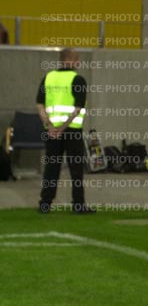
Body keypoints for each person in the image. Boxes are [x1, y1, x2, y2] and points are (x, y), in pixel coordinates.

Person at [37, 48, 94, 214]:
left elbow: (40, 104)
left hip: (52, 132)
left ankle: (45, 203)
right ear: (71, 60)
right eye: (77, 59)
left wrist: (49, 125)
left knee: (51, 167)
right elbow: (78, 108)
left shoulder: (48, 78)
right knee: (76, 169)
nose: (78, 62)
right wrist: (62, 128)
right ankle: (78, 205)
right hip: (72, 131)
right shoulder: (78, 79)